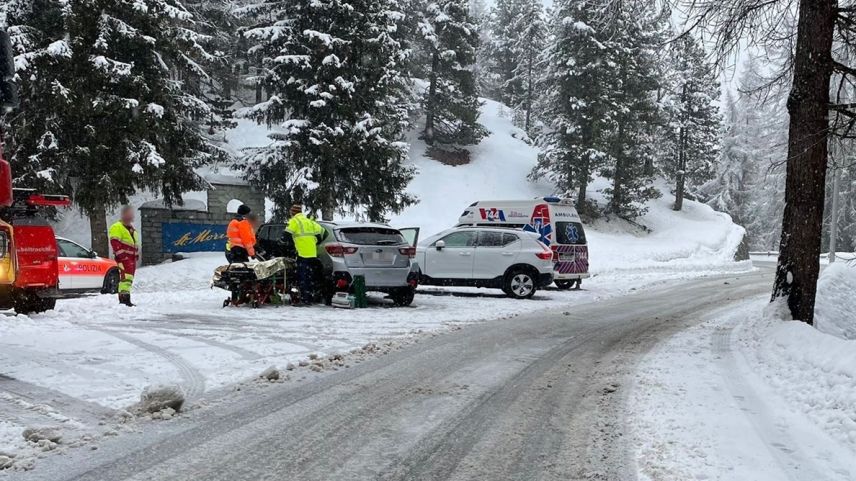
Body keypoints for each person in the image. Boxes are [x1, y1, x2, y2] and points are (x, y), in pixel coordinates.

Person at [285, 204, 325, 306]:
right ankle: (311, 298)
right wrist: (314, 243)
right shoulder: (309, 221)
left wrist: (288, 246)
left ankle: (305, 299)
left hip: (302, 254)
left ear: (293, 212)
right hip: (312, 254)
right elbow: (322, 234)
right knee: (311, 277)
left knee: (303, 278)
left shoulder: (294, 221)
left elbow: (286, 236)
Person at [109, 206, 139, 307]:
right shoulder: (117, 227)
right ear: (124, 215)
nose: (131, 216)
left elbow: (133, 244)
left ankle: (126, 298)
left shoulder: (132, 229)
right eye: (129, 214)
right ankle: (124, 299)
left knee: (128, 279)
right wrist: (122, 257)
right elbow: (115, 243)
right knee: (125, 279)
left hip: (131, 259)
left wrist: (136, 255)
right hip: (123, 259)